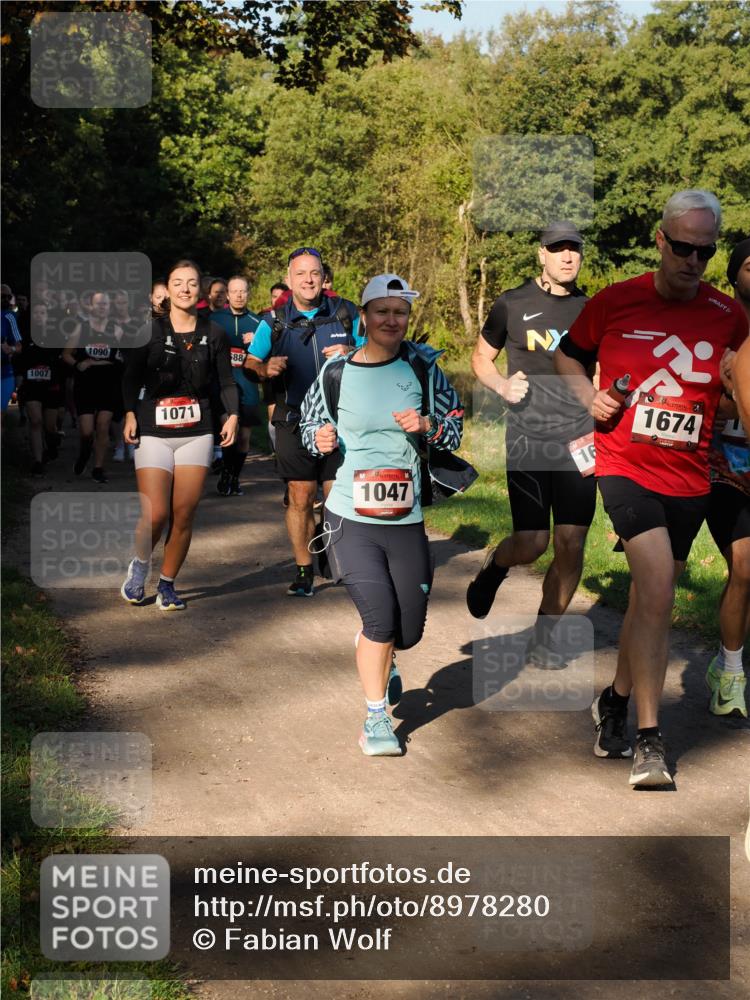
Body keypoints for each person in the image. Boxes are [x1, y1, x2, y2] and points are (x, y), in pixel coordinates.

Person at [555, 189, 748, 787]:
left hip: (689, 476)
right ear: (661, 241)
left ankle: (613, 697)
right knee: (660, 585)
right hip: (623, 465)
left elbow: (741, 384)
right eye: (684, 247)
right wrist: (593, 398)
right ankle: (648, 739)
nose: (693, 260)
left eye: (706, 251)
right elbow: (568, 358)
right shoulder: (615, 302)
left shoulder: (728, 315)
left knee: (648, 600)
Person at [300, 274, 463, 755]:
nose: (392, 320)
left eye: (400, 312)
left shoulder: (423, 369)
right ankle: (375, 720)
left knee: (406, 632)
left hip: (406, 516)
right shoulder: (336, 371)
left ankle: (387, 657)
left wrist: (429, 425)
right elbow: (309, 423)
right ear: (364, 318)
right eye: (382, 311)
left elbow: (455, 432)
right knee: (379, 621)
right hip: (350, 514)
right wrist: (319, 440)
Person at [466, 222, 593, 668]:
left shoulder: (591, 310)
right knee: (534, 542)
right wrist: (501, 387)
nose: (567, 257)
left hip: (579, 440)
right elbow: (480, 357)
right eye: (557, 249)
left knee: (572, 542)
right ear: (541, 254)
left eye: (573, 249)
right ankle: (496, 565)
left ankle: (545, 634)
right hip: (527, 438)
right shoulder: (512, 303)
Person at [120, 260, 239, 611]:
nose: (185, 288)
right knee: (156, 514)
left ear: (201, 290)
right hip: (154, 429)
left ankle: (168, 584)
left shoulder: (215, 333)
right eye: (178, 282)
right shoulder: (149, 330)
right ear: (167, 290)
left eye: (191, 283)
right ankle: (141, 566)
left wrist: (231, 415)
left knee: (184, 513)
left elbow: (226, 381)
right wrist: (128, 412)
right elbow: (130, 377)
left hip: (196, 431)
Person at [245, 247, 361, 597]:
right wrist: (264, 369)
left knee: (335, 496)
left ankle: (331, 550)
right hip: (293, 419)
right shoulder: (274, 321)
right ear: (290, 278)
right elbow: (250, 362)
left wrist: (352, 353)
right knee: (300, 495)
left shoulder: (346, 313)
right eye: (301, 274)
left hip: (340, 421)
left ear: (323, 277)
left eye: (314, 273)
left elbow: (378, 352)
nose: (308, 280)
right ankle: (303, 570)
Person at [704, 238, 750, 718]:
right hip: (720, 467)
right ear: (734, 274)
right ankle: (731, 674)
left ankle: (725, 660)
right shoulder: (717, 328)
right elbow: (705, 401)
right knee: (744, 566)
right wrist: (735, 395)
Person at [62, 290, 124, 483]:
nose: (102, 307)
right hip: (86, 385)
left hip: (108, 384)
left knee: (103, 425)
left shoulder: (117, 330)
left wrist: (96, 363)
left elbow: (121, 359)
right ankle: (84, 452)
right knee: (87, 432)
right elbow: (66, 354)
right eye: (98, 304)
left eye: (105, 304)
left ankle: (98, 467)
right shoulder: (81, 329)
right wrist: (77, 364)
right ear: (91, 306)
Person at [210, 274, 261, 496]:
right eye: (235, 291)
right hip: (224, 386)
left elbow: (268, 357)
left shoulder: (259, 323)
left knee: (243, 438)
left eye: (243, 291)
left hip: (248, 385)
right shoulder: (214, 319)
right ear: (228, 295)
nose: (239, 295)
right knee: (227, 432)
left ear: (248, 294)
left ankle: (235, 477)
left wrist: (257, 343)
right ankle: (226, 474)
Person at [18, 302, 64, 475]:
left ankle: (51, 444)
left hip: (51, 387)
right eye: (36, 312)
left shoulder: (56, 336)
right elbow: (19, 359)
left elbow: (61, 362)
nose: (39, 315)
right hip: (31, 386)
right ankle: (37, 462)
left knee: (50, 427)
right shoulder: (25, 337)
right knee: (36, 421)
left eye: (42, 312)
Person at [1, 284, 23, 416]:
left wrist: (11, 348)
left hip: (4, 373)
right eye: (2, 296)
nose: (5, 299)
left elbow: (19, 346)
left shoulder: (9, 316)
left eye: (8, 297)